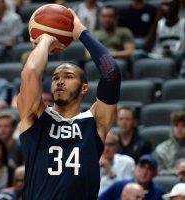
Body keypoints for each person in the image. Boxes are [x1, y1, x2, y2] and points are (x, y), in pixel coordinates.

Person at [17, 7, 121, 199]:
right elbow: (31, 74)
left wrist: (81, 32)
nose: (60, 81)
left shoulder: (95, 121)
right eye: (55, 78)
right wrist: (45, 40)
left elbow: (111, 73)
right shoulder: (36, 117)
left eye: (68, 76)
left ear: (84, 88)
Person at [99, 154, 166, 200]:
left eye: (149, 169)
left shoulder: (159, 193)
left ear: (155, 173)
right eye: (141, 167)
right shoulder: (120, 185)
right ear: (135, 168)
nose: (144, 172)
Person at [153, 111, 185, 175]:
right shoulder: (161, 149)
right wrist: (177, 172)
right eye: (176, 125)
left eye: (183, 125)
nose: (179, 129)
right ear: (172, 128)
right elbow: (158, 172)